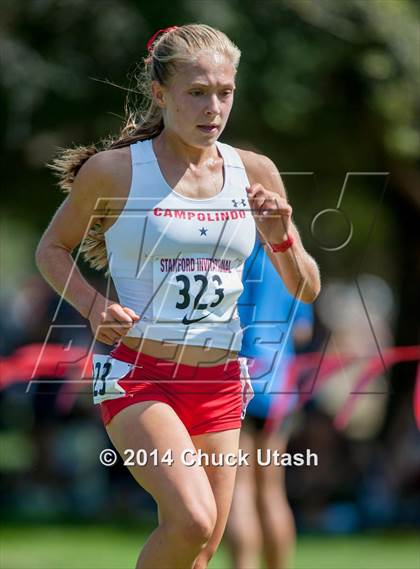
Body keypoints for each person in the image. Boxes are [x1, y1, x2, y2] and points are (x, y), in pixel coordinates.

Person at [35, 23, 320, 569]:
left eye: (225, 92)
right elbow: (52, 248)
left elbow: (306, 286)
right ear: (160, 93)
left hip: (218, 379)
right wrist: (94, 308)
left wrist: (281, 235)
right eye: (197, 92)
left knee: (202, 549)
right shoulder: (115, 172)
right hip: (139, 372)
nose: (213, 107)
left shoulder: (254, 172)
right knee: (193, 519)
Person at [226, 234, 314, 569]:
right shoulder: (290, 257)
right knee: (273, 492)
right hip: (280, 385)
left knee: (240, 490)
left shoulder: (233, 250)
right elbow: (303, 330)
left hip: (238, 380)